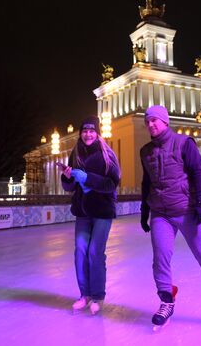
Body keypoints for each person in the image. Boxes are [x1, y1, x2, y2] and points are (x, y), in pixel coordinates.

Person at [139, 105, 201, 329]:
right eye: (147, 122)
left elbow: (198, 173)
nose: (151, 125)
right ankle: (166, 301)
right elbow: (146, 182)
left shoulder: (184, 143)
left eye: (154, 120)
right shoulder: (145, 151)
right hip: (160, 213)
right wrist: (145, 210)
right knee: (160, 258)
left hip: (186, 210)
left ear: (165, 121)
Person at [60, 115, 121, 315]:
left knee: (95, 252)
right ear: (81, 133)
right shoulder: (75, 152)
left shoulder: (107, 154)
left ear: (97, 133)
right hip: (83, 211)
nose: (88, 134)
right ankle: (84, 294)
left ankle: (97, 296)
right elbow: (69, 187)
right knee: (80, 250)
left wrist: (89, 178)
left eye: (91, 131)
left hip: (102, 211)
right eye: (85, 131)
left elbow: (112, 183)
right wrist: (67, 177)